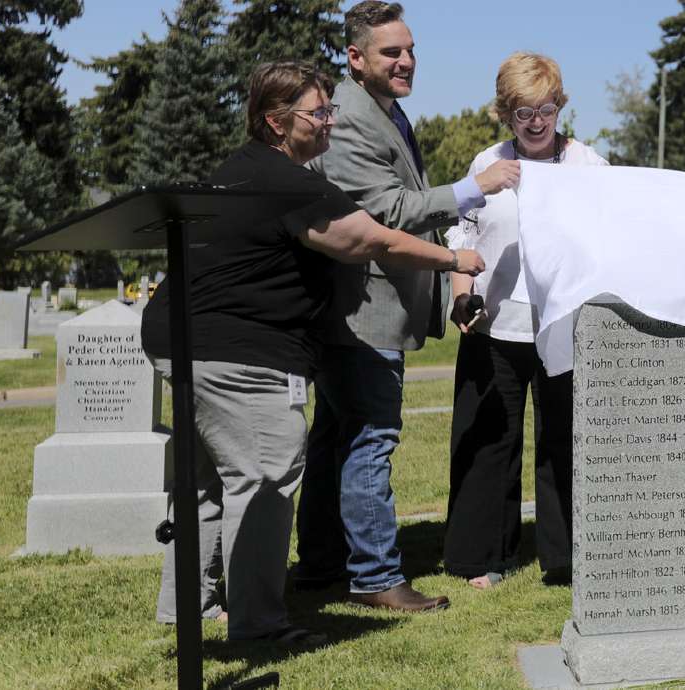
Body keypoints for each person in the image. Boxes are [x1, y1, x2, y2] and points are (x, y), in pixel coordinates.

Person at [141, 60, 484, 644]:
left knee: (207, 485)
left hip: (179, 339)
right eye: (317, 112)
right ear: (277, 122)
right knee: (265, 478)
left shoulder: (240, 170)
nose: (329, 121)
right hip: (241, 349)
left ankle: (190, 609)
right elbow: (367, 238)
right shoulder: (288, 181)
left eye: (329, 109)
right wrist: (454, 260)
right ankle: (260, 626)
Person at [295, 1, 519, 612]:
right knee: (372, 436)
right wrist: (476, 188)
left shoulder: (383, 111)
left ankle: (318, 564)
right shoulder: (347, 120)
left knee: (337, 435)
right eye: (392, 52)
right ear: (356, 57)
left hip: (362, 308)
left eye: (411, 49)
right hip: (362, 309)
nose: (406, 61)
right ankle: (374, 575)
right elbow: (387, 210)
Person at [442, 52, 608, 589]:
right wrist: (461, 295)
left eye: (545, 109)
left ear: (560, 106)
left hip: (565, 326)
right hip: (494, 327)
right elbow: (462, 237)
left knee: (567, 441)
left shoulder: (589, 166)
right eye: (521, 112)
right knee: (490, 440)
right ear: (504, 113)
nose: (536, 122)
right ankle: (484, 556)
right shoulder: (485, 162)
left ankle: (568, 557)